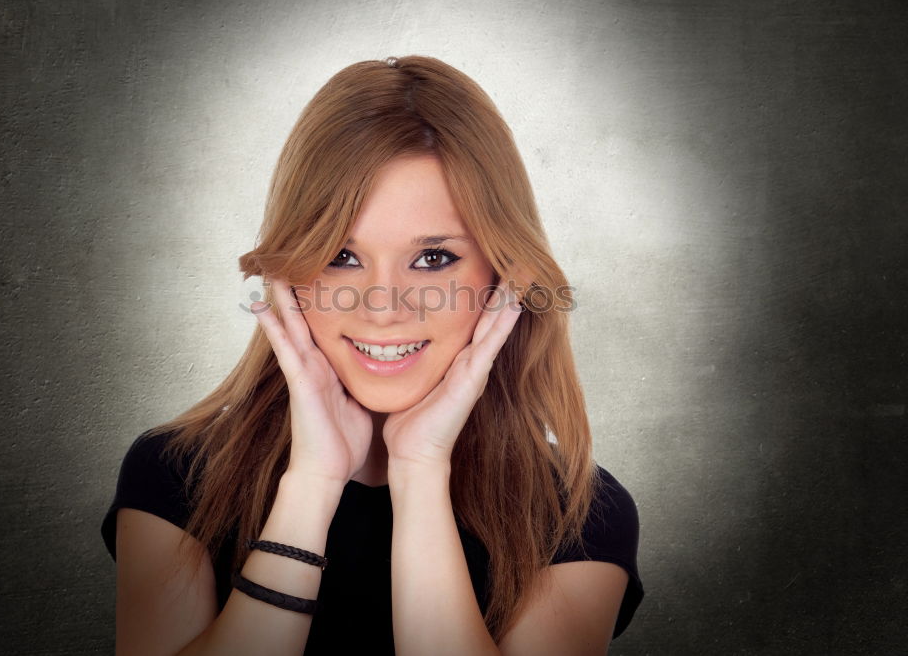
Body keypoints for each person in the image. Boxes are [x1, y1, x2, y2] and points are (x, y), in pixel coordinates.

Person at [100, 55, 644, 655]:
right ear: (292, 271)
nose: (383, 308)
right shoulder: (175, 474)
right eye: (341, 255)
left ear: (503, 276)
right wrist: (311, 483)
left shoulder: (581, 515)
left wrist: (420, 472)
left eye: (433, 258)